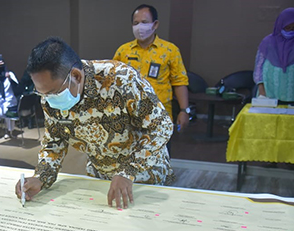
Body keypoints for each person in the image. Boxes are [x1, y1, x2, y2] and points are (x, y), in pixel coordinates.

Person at [15, 37, 173, 210]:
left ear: (76, 76)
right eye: (42, 94)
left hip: (143, 176)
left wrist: (128, 171)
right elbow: (54, 141)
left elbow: (161, 126)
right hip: (99, 177)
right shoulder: (50, 96)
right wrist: (41, 177)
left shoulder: (120, 79)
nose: (48, 100)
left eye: (53, 93)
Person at [113, 4, 190, 132]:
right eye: (136, 23)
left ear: (155, 25)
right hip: (129, 116)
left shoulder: (170, 50)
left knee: (161, 151)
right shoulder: (123, 51)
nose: (139, 27)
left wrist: (184, 110)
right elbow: (113, 81)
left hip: (159, 115)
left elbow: (180, 82)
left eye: (144, 22)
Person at [254, 7, 294, 103]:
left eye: (293, 28)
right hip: (269, 96)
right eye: (287, 28)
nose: (290, 31)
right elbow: (258, 69)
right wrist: (262, 92)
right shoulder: (268, 43)